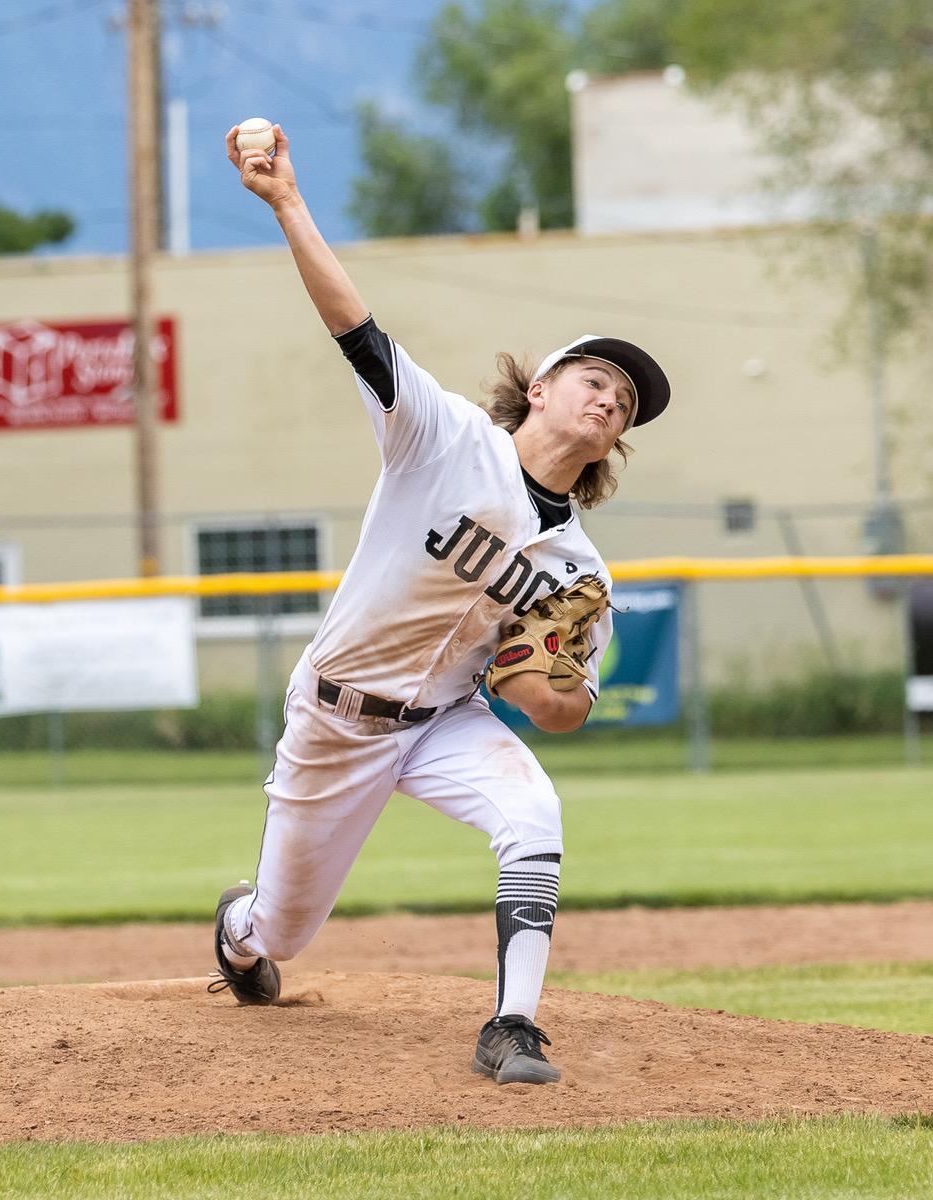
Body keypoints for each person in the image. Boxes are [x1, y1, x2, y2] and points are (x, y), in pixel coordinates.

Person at [208, 123, 671, 1086]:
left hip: (448, 720)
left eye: (625, 404)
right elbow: (356, 330)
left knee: (533, 809)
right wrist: (288, 202)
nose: (611, 402)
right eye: (598, 380)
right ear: (539, 391)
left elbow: (569, 704)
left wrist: (549, 695)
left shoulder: (580, 571)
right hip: (339, 718)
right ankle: (239, 932)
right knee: (285, 926)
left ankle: (513, 1027)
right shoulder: (442, 437)